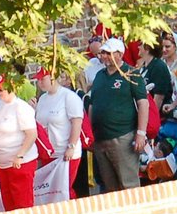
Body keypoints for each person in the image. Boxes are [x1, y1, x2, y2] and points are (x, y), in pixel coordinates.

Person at [86, 37, 147, 193]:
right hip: (100, 139)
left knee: (129, 185)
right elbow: (93, 104)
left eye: (108, 53)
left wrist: (141, 133)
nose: (103, 56)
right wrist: (91, 134)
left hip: (123, 136)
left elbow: (142, 103)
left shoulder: (131, 73)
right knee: (110, 188)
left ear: (119, 54)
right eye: (103, 53)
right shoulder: (100, 75)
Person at [33, 66, 84, 202]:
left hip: (65, 152)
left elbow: (76, 122)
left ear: (52, 78)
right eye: (38, 80)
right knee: (50, 191)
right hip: (49, 152)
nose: (40, 83)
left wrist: (71, 146)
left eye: (42, 79)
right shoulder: (43, 99)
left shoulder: (68, 97)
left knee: (64, 188)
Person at [0, 75, 37, 211]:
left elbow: (31, 134)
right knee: (8, 203)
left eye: (1, 90)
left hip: (19, 163)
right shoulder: (1, 107)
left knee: (22, 203)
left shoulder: (21, 107)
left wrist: (20, 155)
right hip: (3, 164)